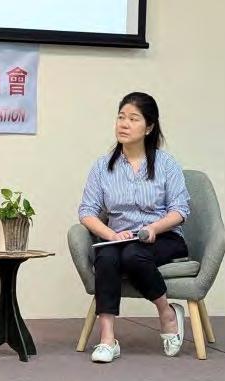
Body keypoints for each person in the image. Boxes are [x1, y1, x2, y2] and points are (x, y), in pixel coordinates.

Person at [78, 92, 190, 363]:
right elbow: (87, 212)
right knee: (106, 256)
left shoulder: (166, 164)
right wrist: (111, 234)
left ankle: (166, 313)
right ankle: (107, 339)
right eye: (121, 117)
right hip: (120, 238)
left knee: (133, 255)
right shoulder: (102, 167)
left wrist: (153, 228)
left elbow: (180, 211)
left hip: (163, 237)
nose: (124, 124)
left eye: (133, 119)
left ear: (148, 127)